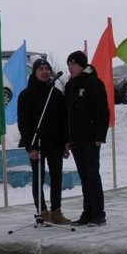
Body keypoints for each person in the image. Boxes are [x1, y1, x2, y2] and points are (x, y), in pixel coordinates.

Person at [16, 58, 71, 225]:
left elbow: (64, 120)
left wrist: (65, 142)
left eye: (47, 68)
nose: (44, 71)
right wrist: (29, 146)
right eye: (40, 69)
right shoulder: (26, 95)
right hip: (36, 143)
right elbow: (23, 123)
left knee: (56, 177)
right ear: (34, 72)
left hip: (55, 142)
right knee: (38, 178)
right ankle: (42, 210)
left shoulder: (56, 94)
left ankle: (56, 211)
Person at [64, 50, 109, 227]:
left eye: (73, 64)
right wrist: (66, 138)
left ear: (82, 65)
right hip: (76, 139)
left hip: (90, 138)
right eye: (68, 65)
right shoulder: (70, 85)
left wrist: (100, 136)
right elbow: (67, 115)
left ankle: (98, 213)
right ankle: (87, 212)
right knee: (84, 176)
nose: (70, 68)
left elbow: (102, 111)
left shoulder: (93, 83)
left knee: (92, 175)